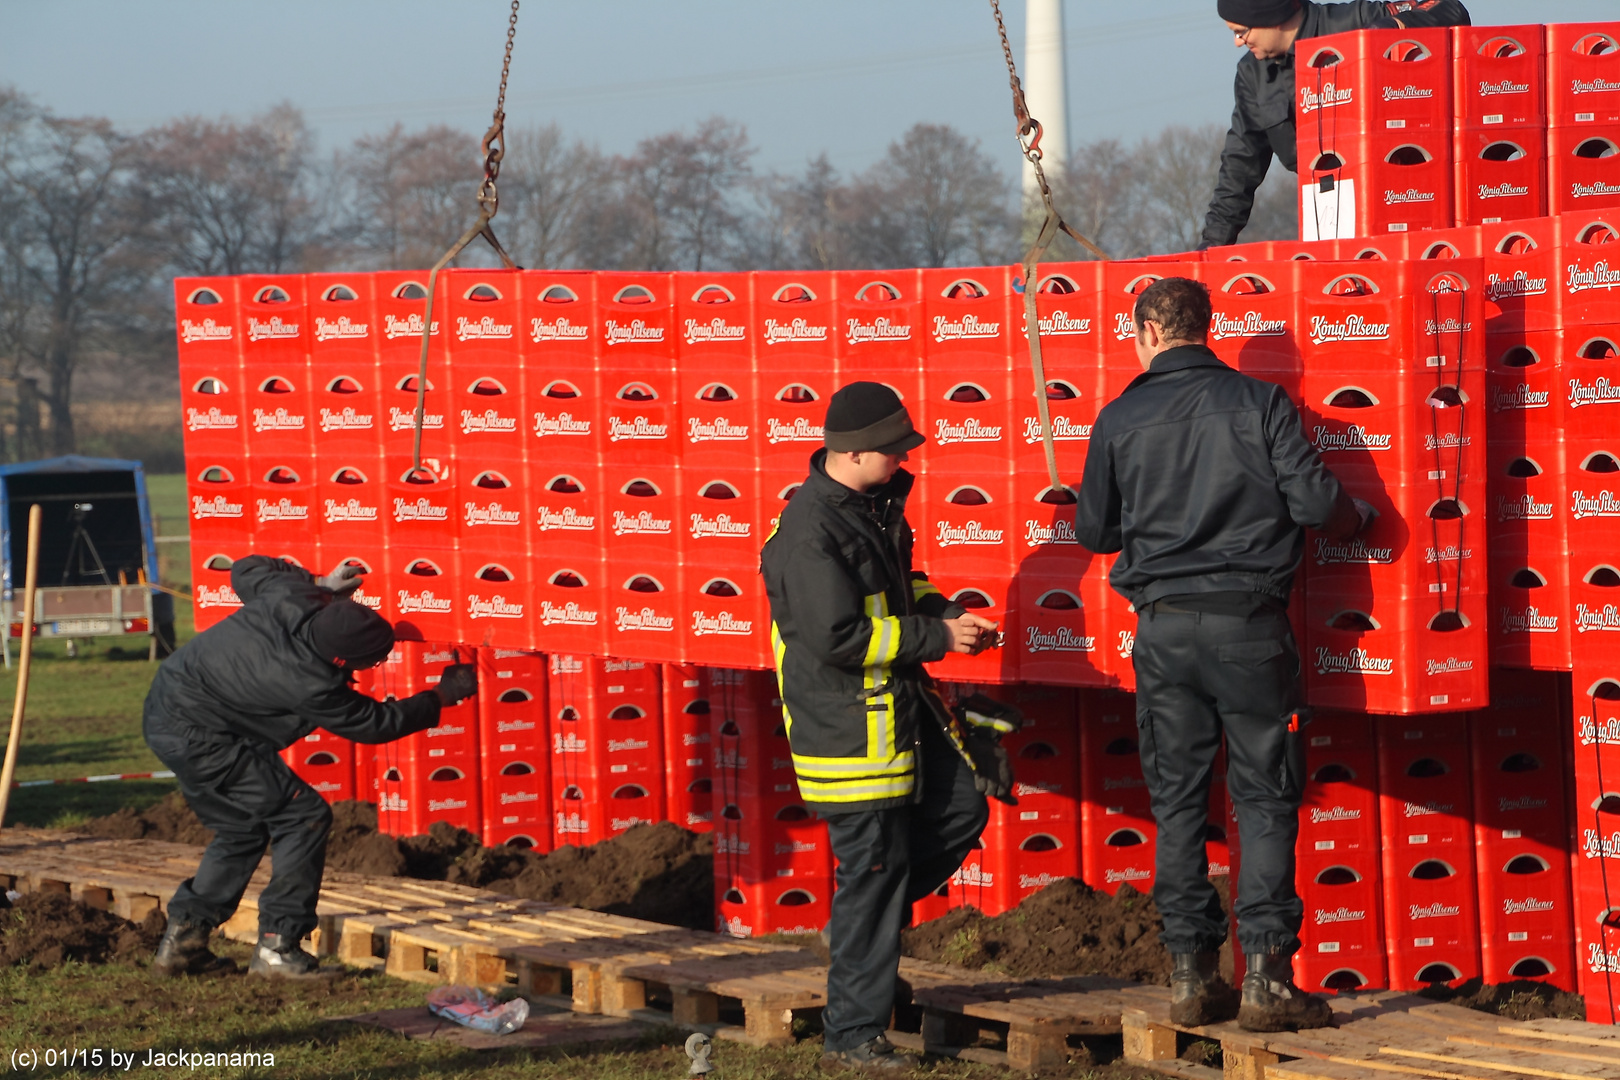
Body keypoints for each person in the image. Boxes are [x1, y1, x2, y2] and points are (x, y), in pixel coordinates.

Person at [1073, 278, 1372, 1033]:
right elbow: (1314, 506)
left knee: (1176, 805)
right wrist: (1359, 517)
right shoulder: (1262, 404)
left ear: (1144, 331)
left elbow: (1094, 536)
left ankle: (1190, 976)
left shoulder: (1118, 416)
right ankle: (1267, 977)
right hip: (1249, 626)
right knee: (1266, 800)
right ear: (1208, 328)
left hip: (1164, 632)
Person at [761, 382, 1021, 1071]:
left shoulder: (872, 509)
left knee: (962, 809)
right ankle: (851, 1036)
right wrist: (936, 635)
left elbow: (902, 585)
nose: (907, 458)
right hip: (851, 736)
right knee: (873, 871)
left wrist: (947, 611)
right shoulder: (810, 531)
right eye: (896, 448)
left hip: (896, 717)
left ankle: (859, 942)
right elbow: (838, 635)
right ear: (855, 452)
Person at [143, 555, 477, 978]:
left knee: (242, 828)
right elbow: (375, 723)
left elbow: (244, 568)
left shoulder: (292, 596)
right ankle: (278, 947)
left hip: (168, 707)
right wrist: (441, 697)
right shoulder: (309, 682)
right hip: (204, 740)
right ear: (341, 663)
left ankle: (183, 944)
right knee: (302, 815)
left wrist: (321, 581)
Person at [1200, 0, 1471, 250]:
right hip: (1328, 226)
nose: (1238, 42)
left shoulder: (1355, 21)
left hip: (1412, 207)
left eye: (1241, 31)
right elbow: (1238, 169)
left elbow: (1450, 8)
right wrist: (1209, 250)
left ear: (1271, 15)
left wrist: (1395, 28)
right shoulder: (1253, 75)